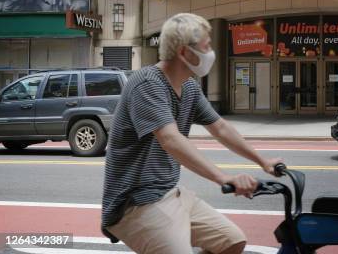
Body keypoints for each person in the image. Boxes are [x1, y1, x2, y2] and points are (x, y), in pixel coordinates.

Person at [101, 13, 282, 254]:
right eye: (206, 46)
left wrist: (263, 161)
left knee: (232, 241)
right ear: (185, 53)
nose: (211, 53)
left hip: (171, 194)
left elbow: (220, 128)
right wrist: (223, 178)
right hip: (135, 203)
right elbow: (170, 139)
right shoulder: (147, 84)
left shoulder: (189, 87)